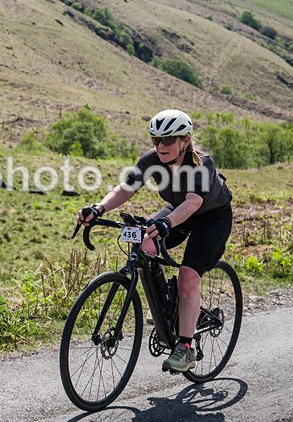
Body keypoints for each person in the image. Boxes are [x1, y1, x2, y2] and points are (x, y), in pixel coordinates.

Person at [76, 109, 233, 373]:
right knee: (144, 244)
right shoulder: (152, 159)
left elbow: (193, 202)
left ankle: (185, 347)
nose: (161, 146)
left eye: (168, 140)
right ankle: (164, 306)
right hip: (176, 211)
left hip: (210, 218)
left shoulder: (201, 164)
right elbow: (126, 188)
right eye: (156, 140)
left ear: (185, 140)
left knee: (188, 277)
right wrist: (98, 209)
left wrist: (166, 223)